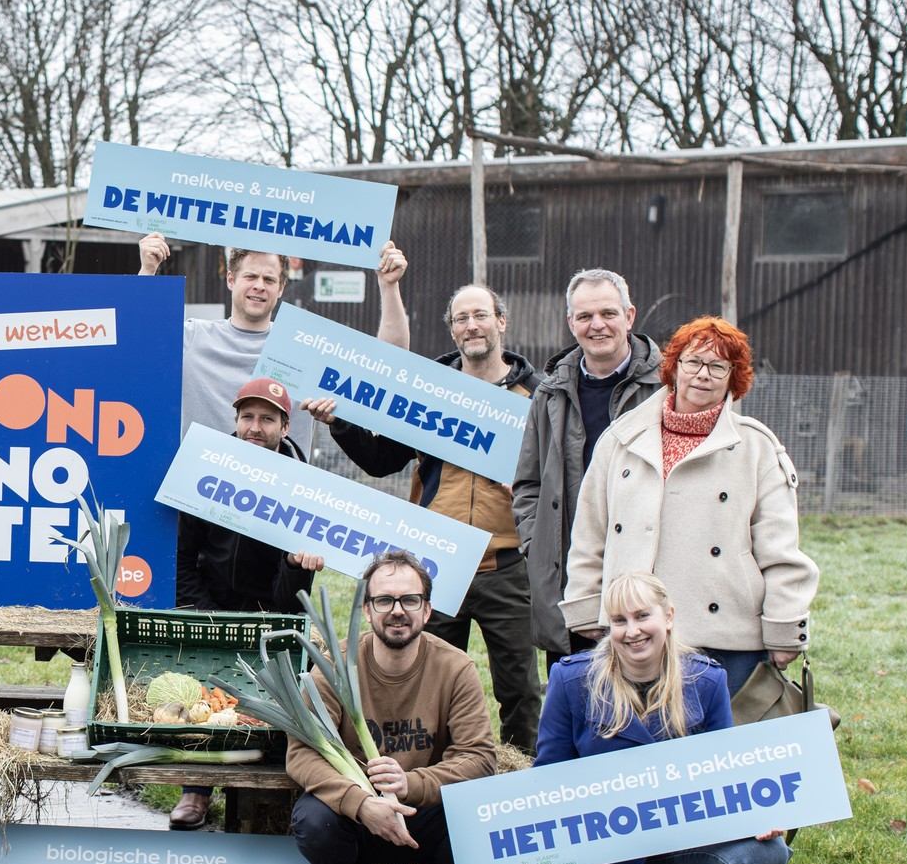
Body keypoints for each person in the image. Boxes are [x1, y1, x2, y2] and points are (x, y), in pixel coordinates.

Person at [301, 272, 547, 752]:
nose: (472, 326)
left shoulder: (537, 396)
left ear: (501, 321)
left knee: (519, 688)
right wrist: (340, 423)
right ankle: (429, 777)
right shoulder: (429, 393)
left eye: (480, 315)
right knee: (426, 684)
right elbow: (382, 461)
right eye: (461, 319)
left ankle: (517, 775)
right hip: (439, 564)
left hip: (508, 563)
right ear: (452, 330)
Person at [535, 572, 791, 864]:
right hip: (596, 860)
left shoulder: (705, 680)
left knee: (766, 853)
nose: (632, 631)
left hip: (670, 852)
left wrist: (755, 815)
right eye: (619, 620)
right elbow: (548, 776)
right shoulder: (573, 680)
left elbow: (724, 776)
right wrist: (528, 853)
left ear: (668, 616)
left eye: (642, 616)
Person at [564, 316, 817, 698]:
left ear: (734, 377)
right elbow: (590, 532)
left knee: (720, 737)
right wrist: (587, 605)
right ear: (674, 367)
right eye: (694, 362)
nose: (703, 375)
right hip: (635, 629)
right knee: (634, 731)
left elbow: (779, 549)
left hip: (726, 637)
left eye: (718, 366)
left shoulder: (757, 448)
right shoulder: (621, 439)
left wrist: (784, 628)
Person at [286, 551, 498, 864]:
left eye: (410, 600)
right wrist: (361, 803)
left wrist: (411, 784)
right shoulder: (333, 666)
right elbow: (302, 755)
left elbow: (479, 756)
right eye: (384, 600)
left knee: (484, 810)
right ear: (367, 610)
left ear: (427, 610)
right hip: (354, 819)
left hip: (422, 814)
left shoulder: (456, 668)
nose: (397, 611)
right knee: (313, 818)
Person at [168, 376, 325, 830]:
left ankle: (264, 793)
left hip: (270, 613)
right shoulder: (206, 468)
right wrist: (201, 613)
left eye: (267, 419)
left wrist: (295, 567)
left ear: (285, 426)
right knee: (199, 695)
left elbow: (291, 598)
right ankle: (196, 787)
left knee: (263, 704)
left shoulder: (304, 487)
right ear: (236, 420)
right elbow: (183, 554)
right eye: (248, 417)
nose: (255, 427)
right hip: (210, 603)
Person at [512, 268, 664, 665]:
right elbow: (528, 482)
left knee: (649, 687)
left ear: (629, 316)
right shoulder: (550, 394)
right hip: (571, 575)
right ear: (571, 323)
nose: (597, 325)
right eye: (585, 316)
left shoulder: (666, 388)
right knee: (578, 689)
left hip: (646, 573)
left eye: (608, 313)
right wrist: (536, 543)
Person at [138, 235, 407, 452]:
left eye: (269, 279)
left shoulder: (304, 347)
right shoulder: (193, 337)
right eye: (250, 276)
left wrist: (389, 286)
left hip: (277, 494)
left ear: (281, 288)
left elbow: (388, 367)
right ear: (231, 279)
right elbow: (133, 343)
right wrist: (147, 270)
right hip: (198, 490)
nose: (259, 286)